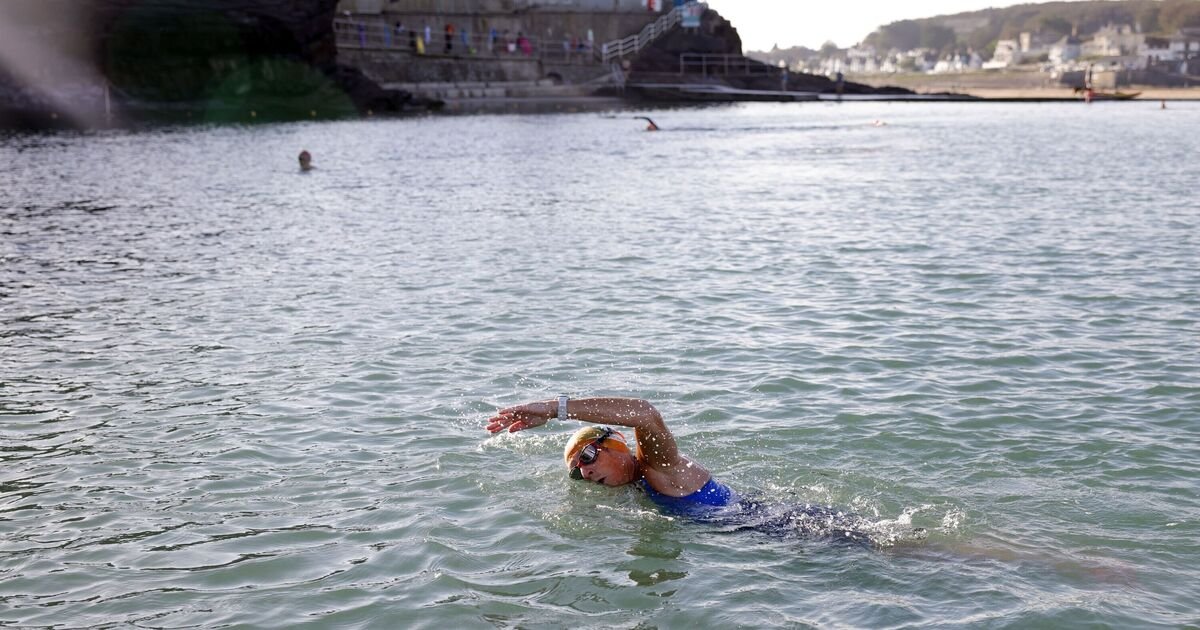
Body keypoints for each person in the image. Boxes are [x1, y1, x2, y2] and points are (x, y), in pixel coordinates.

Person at [486, 396, 904, 546]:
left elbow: (644, 413)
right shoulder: (642, 488)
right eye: (576, 472)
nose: (584, 473)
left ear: (615, 446)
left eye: (587, 458)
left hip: (796, 528)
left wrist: (554, 409)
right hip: (776, 531)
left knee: (926, 556)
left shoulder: (658, 468)